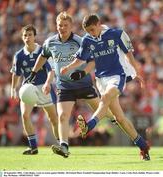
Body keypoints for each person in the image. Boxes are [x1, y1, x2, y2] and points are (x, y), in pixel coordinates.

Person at [26, 12, 121, 158]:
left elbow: (92, 60)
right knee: (63, 116)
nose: (62, 28)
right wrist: (33, 72)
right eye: (60, 25)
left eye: (65, 25)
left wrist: (82, 73)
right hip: (64, 86)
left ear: (71, 27)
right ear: (56, 26)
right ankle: (64, 146)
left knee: (100, 107)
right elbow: (43, 56)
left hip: (83, 85)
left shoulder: (80, 41)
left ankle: (114, 118)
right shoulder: (50, 42)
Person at [61, 14, 150, 160]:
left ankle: (89, 126)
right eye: (88, 31)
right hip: (101, 80)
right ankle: (143, 146)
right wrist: (68, 67)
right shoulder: (87, 40)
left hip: (117, 76)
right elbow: (80, 59)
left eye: (92, 29)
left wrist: (136, 72)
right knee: (119, 118)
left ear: (98, 24)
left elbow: (129, 54)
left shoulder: (116, 34)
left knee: (106, 97)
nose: (91, 33)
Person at [10, 24, 59, 155]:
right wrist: (13, 89)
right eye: (25, 35)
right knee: (25, 116)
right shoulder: (19, 55)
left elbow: (51, 71)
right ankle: (33, 147)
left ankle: (62, 144)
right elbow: (16, 73)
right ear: (22, 37)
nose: (27, 37)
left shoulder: (43, 51)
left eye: (30, 35)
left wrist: (48, 83)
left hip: (44, 87)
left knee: (53, 118)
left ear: (34, 36)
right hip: (28, 89)